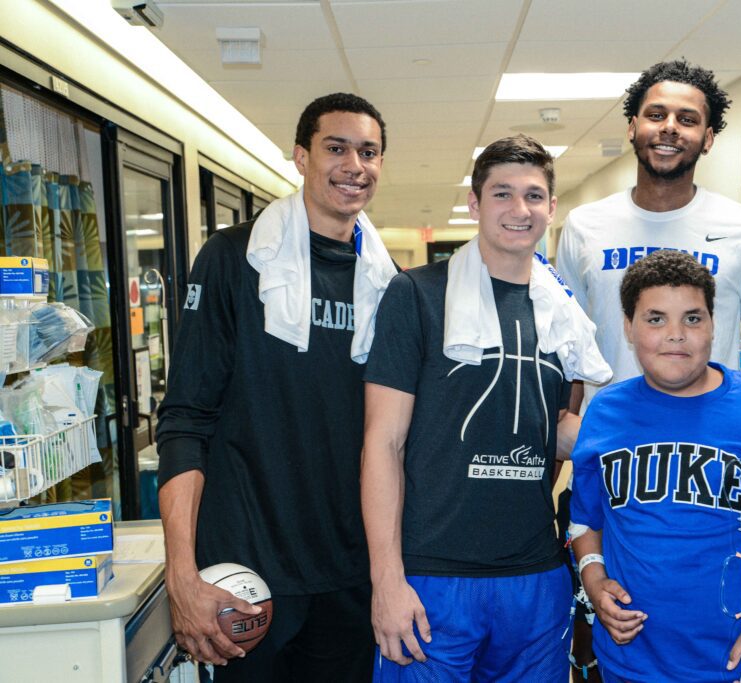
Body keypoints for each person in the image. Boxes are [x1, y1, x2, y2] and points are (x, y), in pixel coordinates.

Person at [157, 92, 397, 682]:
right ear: (300, 156)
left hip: (348, 568)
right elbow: (185, 419)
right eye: (336, 148)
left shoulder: (389, 287)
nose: (354, 165)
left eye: (368, 152)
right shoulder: (234, 260)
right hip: (247, 570)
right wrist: (182, 573)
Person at [361, 134, 611, 682]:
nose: (519, 210)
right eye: (502, 194)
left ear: (550, 207)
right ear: (475, 204)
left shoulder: (560, 313)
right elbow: (383, 442)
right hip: (433, 579)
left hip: (535, 578)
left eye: (534, 195)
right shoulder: (418, 295)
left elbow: (557, 429)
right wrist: (387, 579)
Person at [569, 249, 741, 683]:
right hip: (628, 660)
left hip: (736, 663)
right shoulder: (605, 412)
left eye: (692, 319)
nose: (676, 335)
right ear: (628, 327)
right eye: (655, 319)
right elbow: (585, 519)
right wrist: (594, 580)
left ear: (714, 325)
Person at [557, 58, 741, 388]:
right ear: (632, 128)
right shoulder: (584, 226)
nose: (670, 127)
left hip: (712, 429)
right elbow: (569, 343)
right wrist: (570, 422)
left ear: (707, 139)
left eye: (687, 119)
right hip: (613, 427)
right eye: (656, 115)